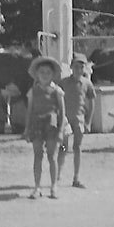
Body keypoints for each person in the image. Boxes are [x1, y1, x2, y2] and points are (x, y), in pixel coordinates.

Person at [23, 57, 66, 200]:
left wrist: (60, 131)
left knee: (52, 156)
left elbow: (62, 111)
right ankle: (37, 187)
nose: (45, 75)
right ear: (37, 74)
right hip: (37, 125)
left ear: (53, 75)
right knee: (37, 156)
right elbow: (29, 110)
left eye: (48, 72)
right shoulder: (32, 91)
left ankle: (54, 186)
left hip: (52, 126)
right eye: (42, 72)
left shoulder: (57, 91)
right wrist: (27, 128)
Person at [57, 53, 98, 189]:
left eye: (81, 67)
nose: (78, 70)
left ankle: (76, 177)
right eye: (76, 67)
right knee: (63, 148)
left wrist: (88, 121)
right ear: (71, 67)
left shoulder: (87, 83)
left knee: (77, 148)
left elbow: (92, 102)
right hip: (65, 121)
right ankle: (57, 175)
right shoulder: (63, 83)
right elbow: (56, 99)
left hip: (79, 120)